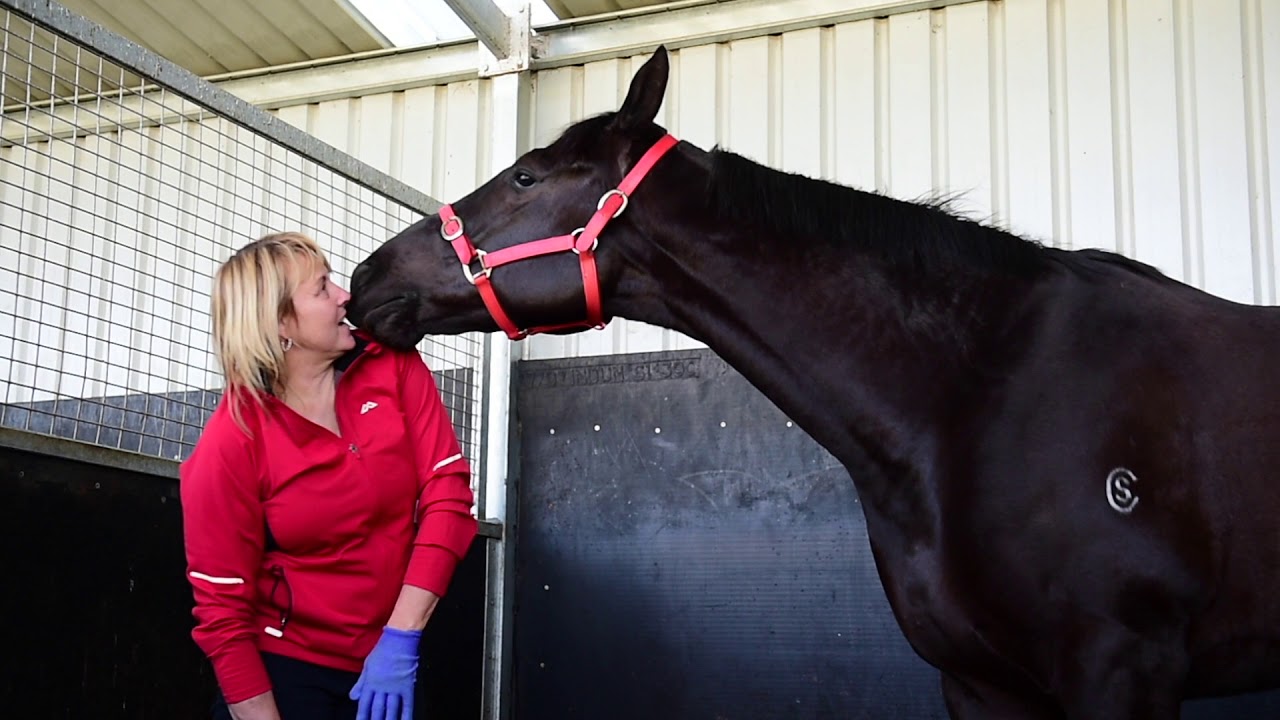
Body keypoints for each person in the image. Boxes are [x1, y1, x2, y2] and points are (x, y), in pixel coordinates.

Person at [180, 232, 477, 720]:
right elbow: (222, 612)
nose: (345, 296)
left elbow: (447, 496)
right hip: (289, 672)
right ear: (279, 323)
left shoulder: (391, 362)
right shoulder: (231, 442)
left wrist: (400, 638)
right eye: (322, 288)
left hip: (393, 659)